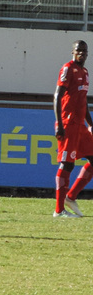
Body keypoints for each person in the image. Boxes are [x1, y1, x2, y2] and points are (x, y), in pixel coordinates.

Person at [54, 39, 93, 218]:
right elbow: (57, 96)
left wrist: (90, 124)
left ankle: (71, 197)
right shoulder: (68, 69)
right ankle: (59, 211)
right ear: (73, 52)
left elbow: (83, 100)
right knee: (67, 164)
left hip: (81, 125)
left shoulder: (85, 72)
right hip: (68, 123)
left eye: (85, 51)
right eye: (79, 51)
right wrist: (60, 125)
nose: (82, 54)